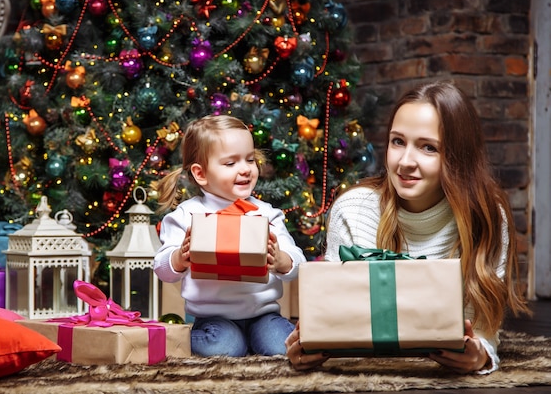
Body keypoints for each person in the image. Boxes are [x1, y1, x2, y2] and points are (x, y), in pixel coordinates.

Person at [285, 80, 530, 374]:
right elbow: (337, 320)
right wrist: (310, 344)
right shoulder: (353, 210)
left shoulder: (487, 216)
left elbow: (483, 328)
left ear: (457, 157)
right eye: (398, 141)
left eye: (428, 147)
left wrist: (480, 355)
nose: (405, 162)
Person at [154, 114, 307, 357]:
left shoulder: (266, 214)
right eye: (230, 163)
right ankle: (176, 338)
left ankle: (257, 341)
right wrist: (178, 258)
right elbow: (161, 269)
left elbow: (299, 263)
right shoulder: (188, 215)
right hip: (213, 319)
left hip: (263, 315)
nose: (246, 169)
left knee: (281, 347)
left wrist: (282, 260)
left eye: (250, 159)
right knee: (226, 347)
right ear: (201, 174)